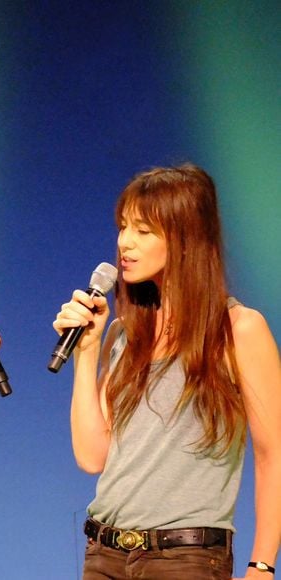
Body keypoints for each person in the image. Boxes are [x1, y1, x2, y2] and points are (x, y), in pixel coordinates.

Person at [53, 164, 280, 580]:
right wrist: (86, 353)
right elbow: (91, 457)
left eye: (143, 230)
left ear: (185, 238)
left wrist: (262, 564)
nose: (125, 243)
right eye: (123, 227)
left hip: (184, 559)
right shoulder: (124, 333)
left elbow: (273, 453)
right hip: (104, 555)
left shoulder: (239, 330)